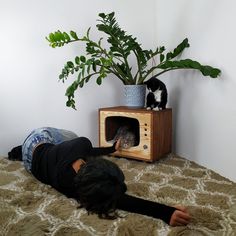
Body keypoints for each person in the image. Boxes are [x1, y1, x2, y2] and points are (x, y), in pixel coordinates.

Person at [8, 127, 191, 226]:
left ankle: (17, 150)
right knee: (70, 134)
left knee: (72, 140)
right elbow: (120, 200)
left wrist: (111, 149)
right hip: (35, 152)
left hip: (35, 145)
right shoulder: (75, 187)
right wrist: (164, 212)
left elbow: (90, 151)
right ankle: (18, 149)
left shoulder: (80, 148)